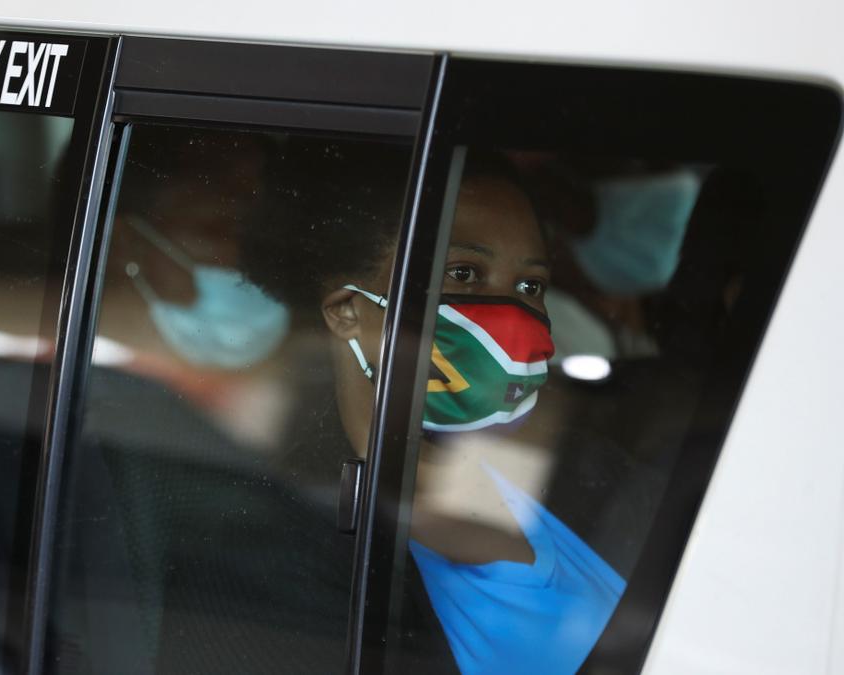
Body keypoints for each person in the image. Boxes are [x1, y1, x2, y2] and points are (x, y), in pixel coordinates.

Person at [241, 147, 626, 675]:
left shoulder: (590, 476)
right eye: (464, 273)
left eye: (530, 285)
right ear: (349, 312)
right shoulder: (296, 562)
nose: (511, 315)